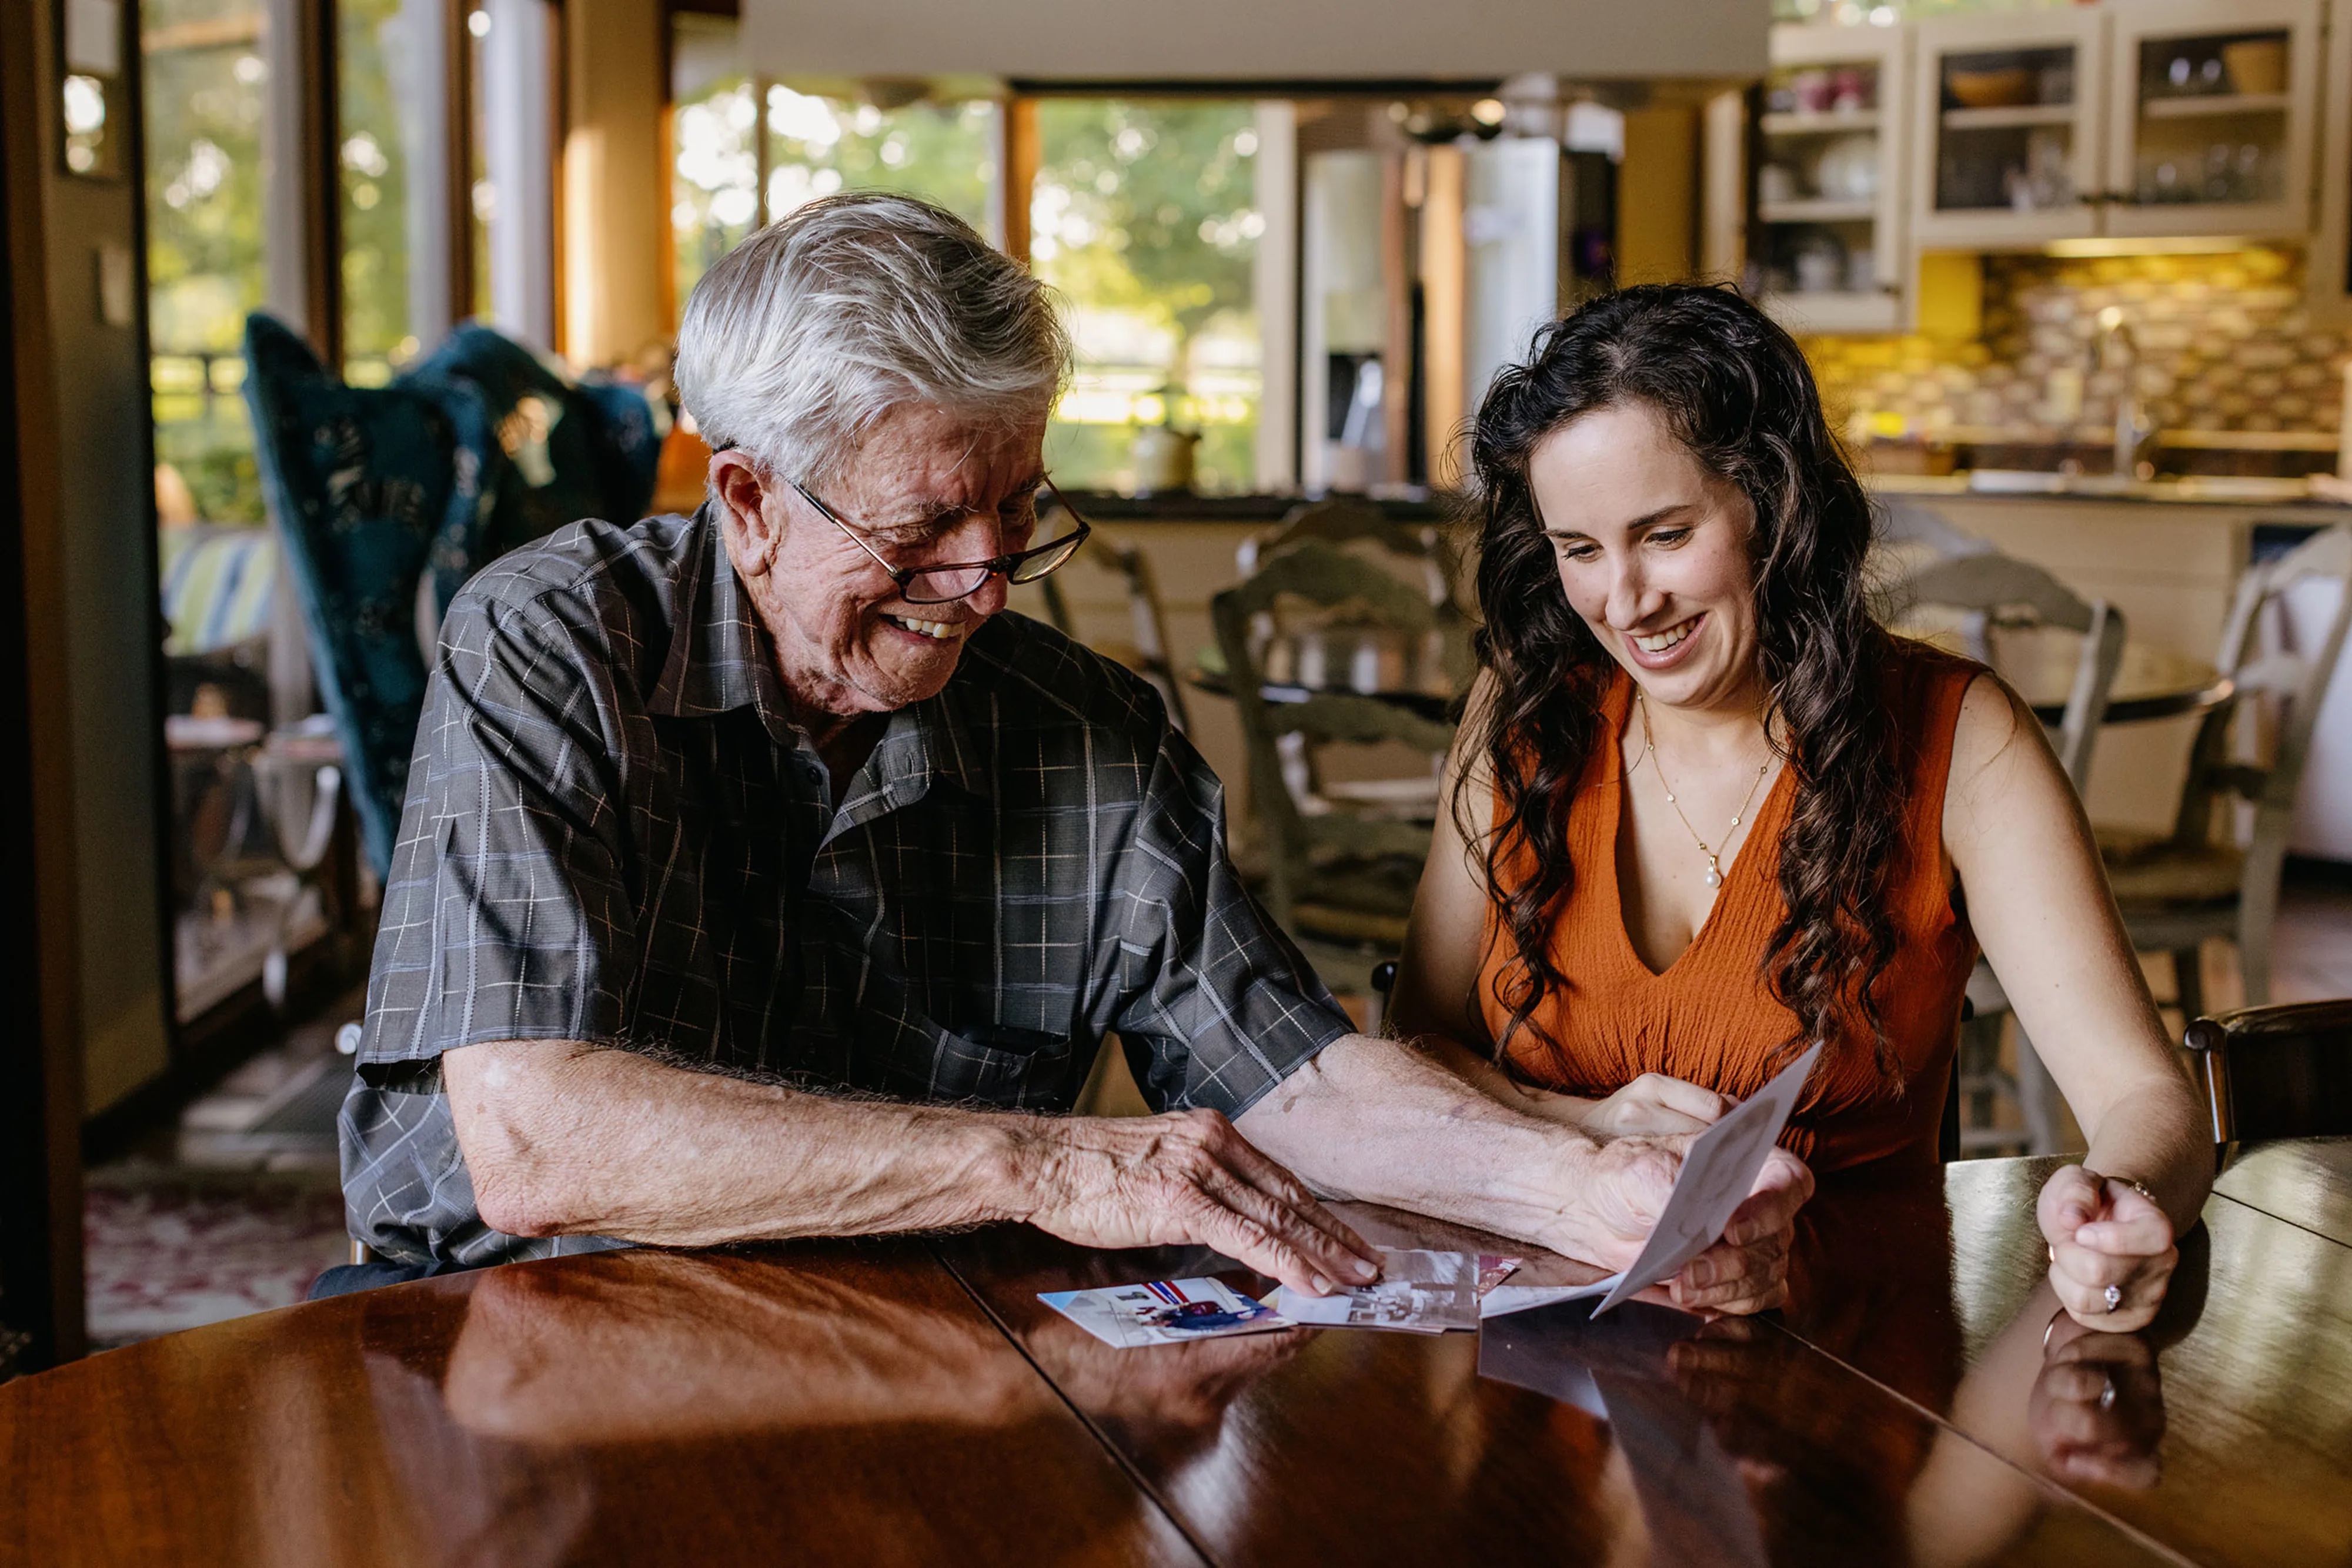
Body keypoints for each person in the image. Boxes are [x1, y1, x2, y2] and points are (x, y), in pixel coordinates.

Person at [329, 196, 1810, 1308]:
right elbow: (532, 1138)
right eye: (921, 529)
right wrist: (1035, 1158)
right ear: (747, 499)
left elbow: (1285, 1079)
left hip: (908, 1322)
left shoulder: (1088, 730)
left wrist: (1581, 1184)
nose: (984, 586)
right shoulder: (550, 642)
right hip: (518, 1312)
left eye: (1018, 509)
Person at [1389, 283, 2209, 1331]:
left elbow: (2146, 1099)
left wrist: (2121, 1206)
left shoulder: (1961, 738)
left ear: (1773, 504)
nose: (1625, 602)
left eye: (1667, 534)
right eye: (1580, 550)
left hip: (1845, 1357)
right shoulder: (1521, 714)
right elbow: (1411, 1051)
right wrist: (1576, 1125)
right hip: (1538, 1342)